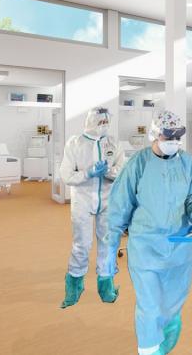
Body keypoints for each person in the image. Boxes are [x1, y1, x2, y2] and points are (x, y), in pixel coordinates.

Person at [104, 110, 192, 355]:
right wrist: (109, 250)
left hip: (179, 250)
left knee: (172, 305)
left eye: (177, 136)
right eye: (168, 136)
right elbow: (119, 208)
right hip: (146, 249)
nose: (173, 141)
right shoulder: (138, 164)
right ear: (154, 134)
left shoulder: (186, 163)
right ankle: (148, 350)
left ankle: (165, 343)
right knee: (150, 308)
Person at [59, 107, 125, 308]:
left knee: (107, 244)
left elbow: (122, 170)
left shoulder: (113, 143)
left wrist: (109, 173)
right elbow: (66, 175)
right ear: (90, 122)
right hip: (83, 201)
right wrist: (87, 173)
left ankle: (106, 286)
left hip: (108, 200)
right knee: (82, 245)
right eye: (100, 122)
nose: (103, 126)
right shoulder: (75, 143)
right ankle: (74, 287)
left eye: (106, 122)